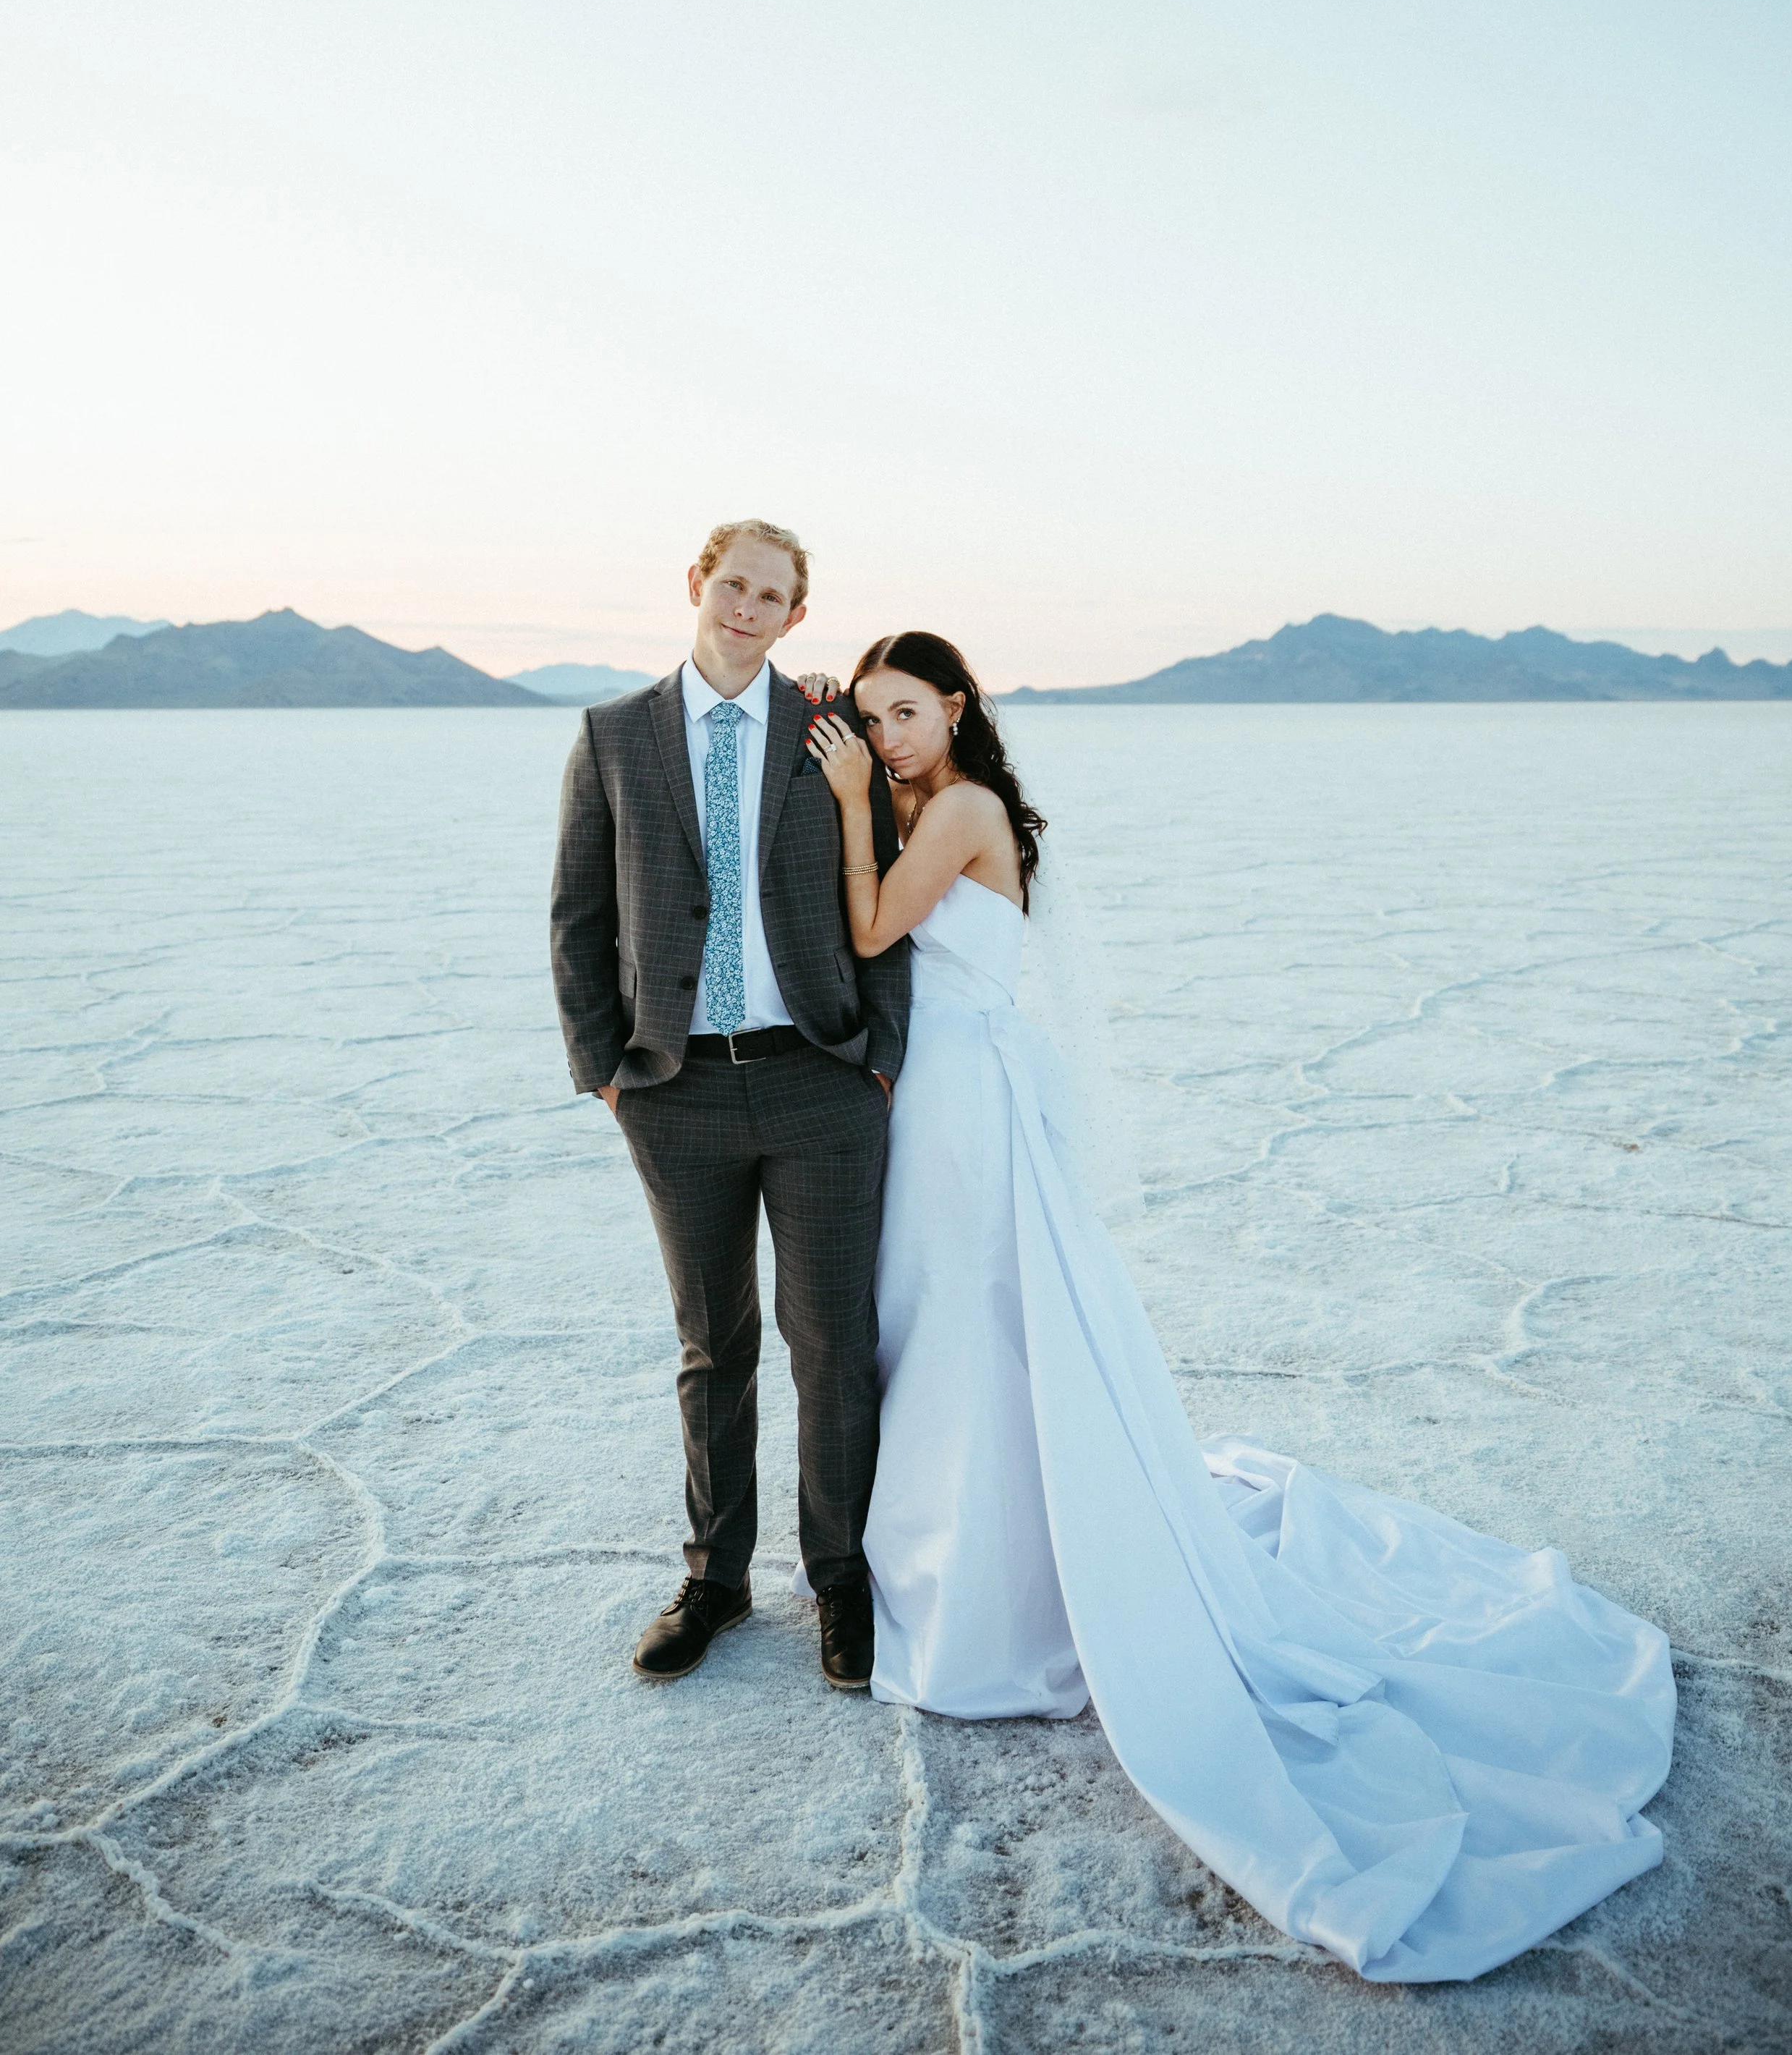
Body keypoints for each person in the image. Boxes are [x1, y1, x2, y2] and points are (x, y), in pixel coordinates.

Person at [805, 630, 1676, 1986]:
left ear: (958, 708)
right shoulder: (917, 801)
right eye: (871, 718)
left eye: (907, 712)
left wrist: (855, 797)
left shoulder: (958, 806)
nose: (891, 735)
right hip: (934, 1096)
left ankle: (1004, 1591)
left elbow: (872, 930)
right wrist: (860, 796)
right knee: (938, 1328)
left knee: (984, 1329)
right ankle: (953, 1554)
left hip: (971, 1099)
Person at [550, 522, 909, 1690]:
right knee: (716, 1347)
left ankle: (841, 1574)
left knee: (832, 1343)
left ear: (797, 617)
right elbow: (577, 919)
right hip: (678, 1086)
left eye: (775, 595)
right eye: (735, 585)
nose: (749, 607)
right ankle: (716, 1576)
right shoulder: (613, 736)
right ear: (697, 586)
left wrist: (880, 1053)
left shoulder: (830, 729)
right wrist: (607, 1069)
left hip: (820, 1079)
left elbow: (889, 892)